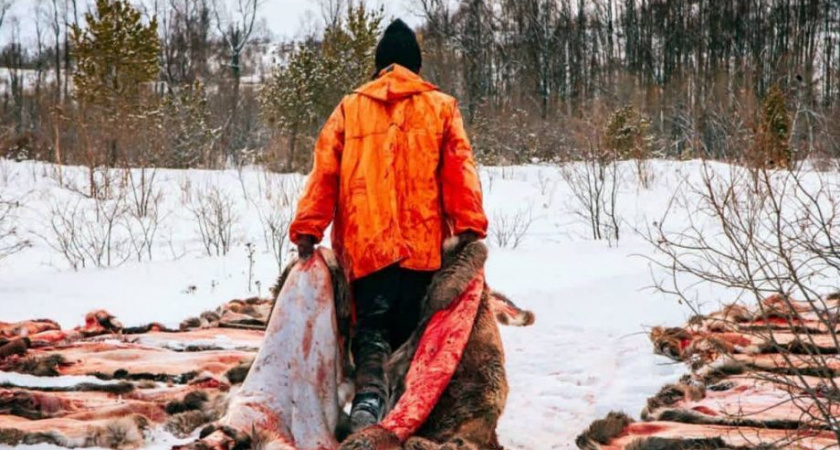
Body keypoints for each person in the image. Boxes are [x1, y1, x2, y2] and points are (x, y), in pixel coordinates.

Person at [289, 18, 488, 432]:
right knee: (417, 332)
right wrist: (468, 225)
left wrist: (309, 227)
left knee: (372, 329)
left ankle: (369, 398)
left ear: (379, 65)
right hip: (423, 248)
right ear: (415, 65)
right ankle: (412, 408)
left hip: (368, 248)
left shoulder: (349, 108)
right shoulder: (441, 107)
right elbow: (460, 172)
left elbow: (324, 174)